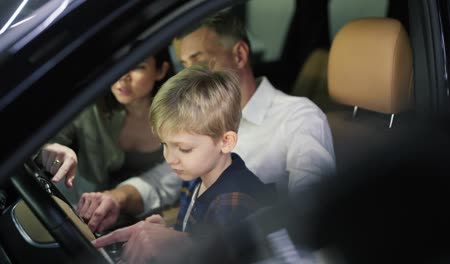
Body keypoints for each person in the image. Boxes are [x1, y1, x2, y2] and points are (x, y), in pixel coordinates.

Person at [78, 10, 336, 232]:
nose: (190, 74)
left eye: (199, 60)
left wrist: (185, 243)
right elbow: (164, 180)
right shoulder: (197, 119)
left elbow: (311, 213)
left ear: (239, 55)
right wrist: (117, 198)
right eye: (184, 64)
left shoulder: (298, 118)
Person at [93, 64, 276, 264]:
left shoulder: (232, 201)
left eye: (184, 149)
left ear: (226, 142)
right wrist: (167, 234)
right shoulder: (197, 177)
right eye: (165, 145)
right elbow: (193, 239)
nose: (170, 158)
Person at [40, 45, 182, 230]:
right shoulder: (91, 106)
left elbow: (173, 178)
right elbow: (47, 145)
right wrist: (54, 155)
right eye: (116, 64)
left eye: (137, 66)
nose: (122, 76)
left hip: (147, 218)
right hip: (84, 212)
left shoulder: (181, 115)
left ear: (161, 70)